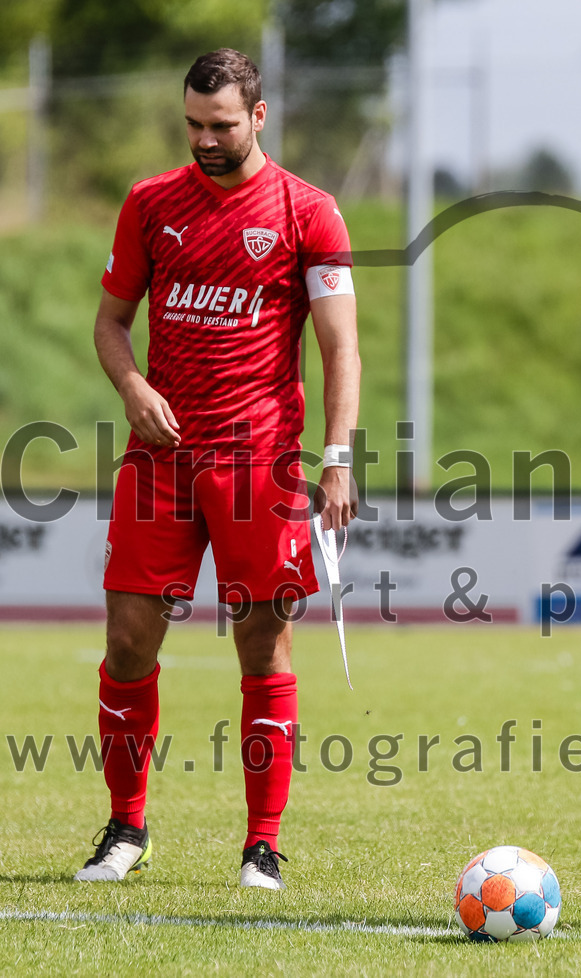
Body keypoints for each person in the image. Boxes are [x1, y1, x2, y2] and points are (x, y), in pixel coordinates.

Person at [74, 48, 360, 890]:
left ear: (260, 116)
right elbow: (110, 323)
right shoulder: (151, 202)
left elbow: (340, 347)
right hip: (160, 459)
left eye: (222, 125)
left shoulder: (310, 212)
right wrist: (131, 386)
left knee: (261, 649)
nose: (204, 139)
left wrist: (337, 459)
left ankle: (261, 844)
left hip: (260, 462)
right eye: (194, 124)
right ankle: (126, 830)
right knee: (127, 643)